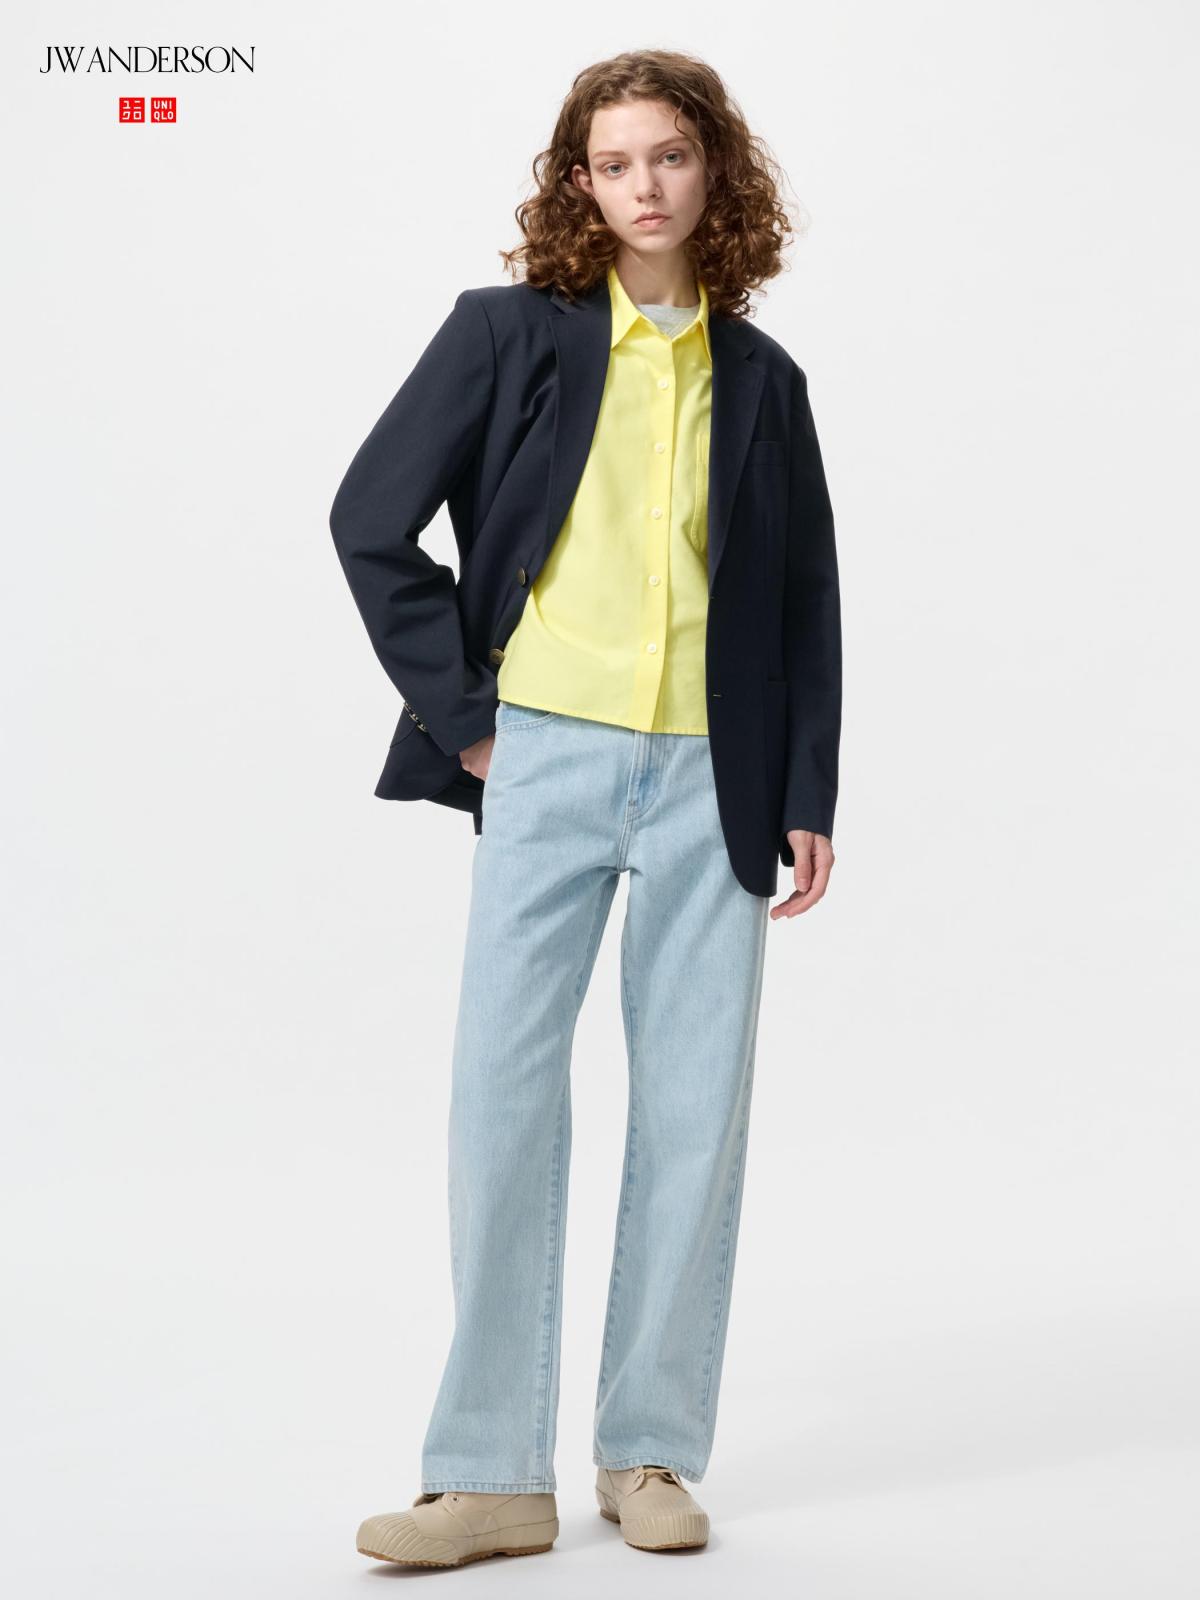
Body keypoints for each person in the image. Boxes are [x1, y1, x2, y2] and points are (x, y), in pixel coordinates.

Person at [329, 48, 841, 1568]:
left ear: (714, 169)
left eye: (668, 155)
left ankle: (650, 1450)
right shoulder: (506, 335)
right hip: (543, 754)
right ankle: (487, 1471)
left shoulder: (763, 380)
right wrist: (470, 721)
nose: (643, 186)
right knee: (502, 1093)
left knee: (694, 1110)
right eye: (612, 164)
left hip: (714, 775)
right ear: (579, 184)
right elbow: (369, 517)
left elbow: (802, 600)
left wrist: (804, 787)